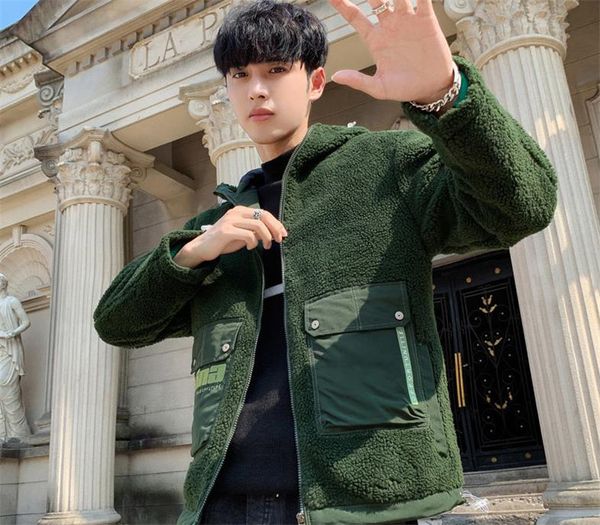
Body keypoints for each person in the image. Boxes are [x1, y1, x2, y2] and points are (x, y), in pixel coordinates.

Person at [93, 0, 558, 523]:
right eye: (240, 75)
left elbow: (524, 204)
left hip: (363, 506)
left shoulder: (384, 167)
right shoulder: (220, 226)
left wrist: (443, 96)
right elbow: (116, 321)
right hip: (221, 507)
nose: (256, 90)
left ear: (315, 82)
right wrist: (195, 251)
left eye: (275, 70)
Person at [0, 272, 32, 442]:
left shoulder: (11, 301)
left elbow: (26, 322)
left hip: (10, 350)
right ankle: (2, 435)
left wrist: (13, 333)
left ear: (3, 283)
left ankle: (18, 435)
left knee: (8, 388)